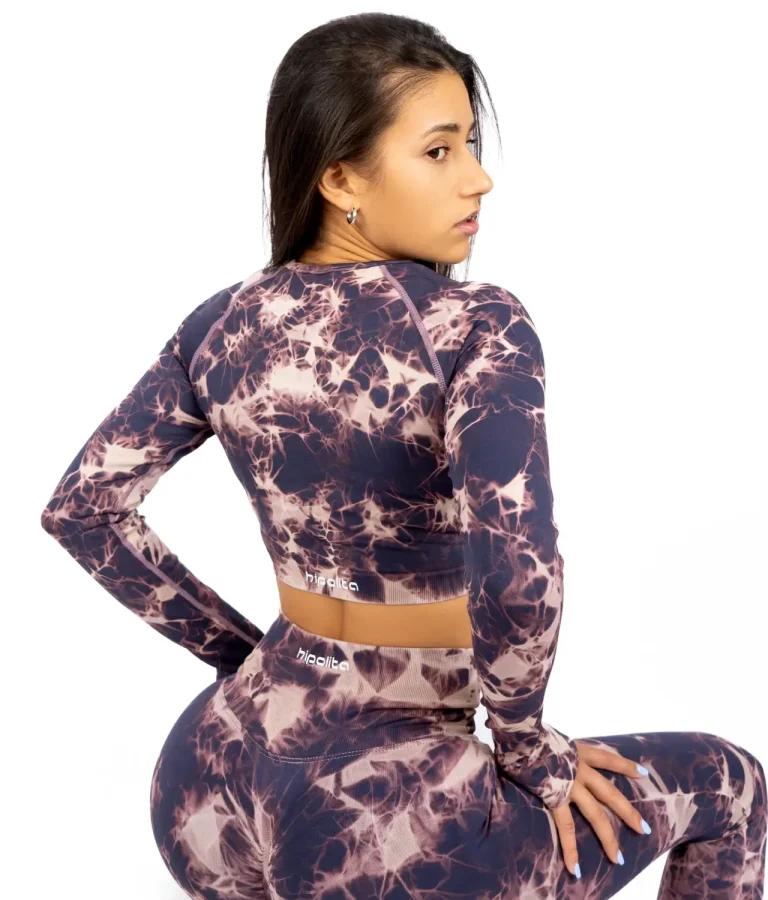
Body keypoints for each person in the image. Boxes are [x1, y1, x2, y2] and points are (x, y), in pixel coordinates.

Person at [40, 12, 765, 900]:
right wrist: (529, 748)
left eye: (472, 145)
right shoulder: (475, 325)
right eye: (438, 151)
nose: (479, 177)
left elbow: (84, 510)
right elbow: (518, 575)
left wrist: (241, 661)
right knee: (732, 787)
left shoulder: (220, 323)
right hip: (383, 819)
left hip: (210, 776)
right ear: (339, 176)